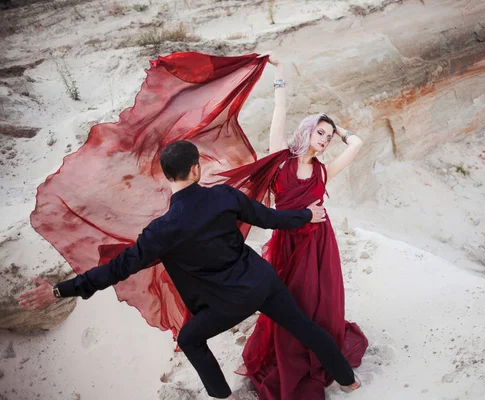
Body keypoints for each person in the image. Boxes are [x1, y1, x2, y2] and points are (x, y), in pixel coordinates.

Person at [19, 140, 361, 400]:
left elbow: (116, 269)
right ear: (195, 170)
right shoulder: (225, 196)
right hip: (261, 282)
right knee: (304, 326)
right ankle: (348, 380)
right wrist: (306, 215)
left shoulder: (160, 231)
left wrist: (58, 290)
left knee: (189, 339)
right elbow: (270, 219)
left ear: (166, 177)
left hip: (225, 304)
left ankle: (222, 396)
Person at [231, 54, 369, 400]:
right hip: (288, 243)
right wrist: (278, 73)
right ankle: (294, 354)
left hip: (320, 243)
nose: (323, 139)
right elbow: (280, 111)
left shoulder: (324, 171)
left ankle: (323, 354)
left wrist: (340, 131)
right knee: (292, 302)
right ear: (306, 131)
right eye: (319, 132)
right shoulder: (281, 159)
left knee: (320, 302)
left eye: (327, 135)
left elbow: (357, 144)